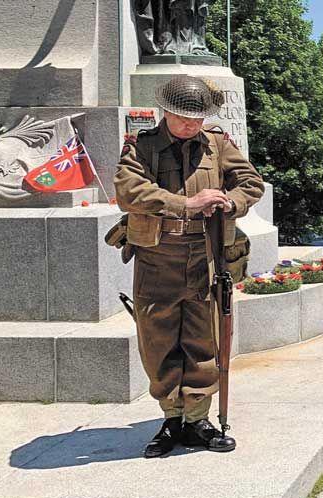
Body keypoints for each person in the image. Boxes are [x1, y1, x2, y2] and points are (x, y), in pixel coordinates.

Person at [114, 75, 265, 458]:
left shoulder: (216, 145)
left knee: (203, 341)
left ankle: (198, 419)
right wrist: (188, 204)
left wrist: (231, 201)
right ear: (166, 112)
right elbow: (129, 192)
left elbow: (251, 182)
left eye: (197, 119)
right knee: (158, 342)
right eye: (183, 118)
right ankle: (172, 419)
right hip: (157, 258)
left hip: (204, 256)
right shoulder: (142, 147)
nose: (190, 125)